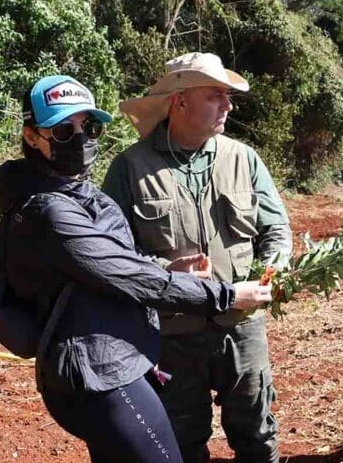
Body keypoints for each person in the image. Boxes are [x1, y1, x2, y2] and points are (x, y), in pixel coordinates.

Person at [0, 75, 272, 463]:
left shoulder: (70, 192)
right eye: (62, 130)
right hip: (100, 373)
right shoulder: (51, 210)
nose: (80, 137)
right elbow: (127, 276)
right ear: (31, 136)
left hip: (108, 360)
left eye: (88, 126)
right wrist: (227, 295)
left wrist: (169, 269)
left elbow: (109, 264)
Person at [103, 52, 292, 463]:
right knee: (182, 442)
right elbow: (113, 257)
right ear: (180, 102)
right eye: (216, 95)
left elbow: (276, 230)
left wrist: (269, 274)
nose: (228, 105)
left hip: (241, 327)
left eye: (227, 96)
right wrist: (164, 271)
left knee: (258, 436)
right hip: (171, 333)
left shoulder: (244, 159)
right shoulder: (129, 168)